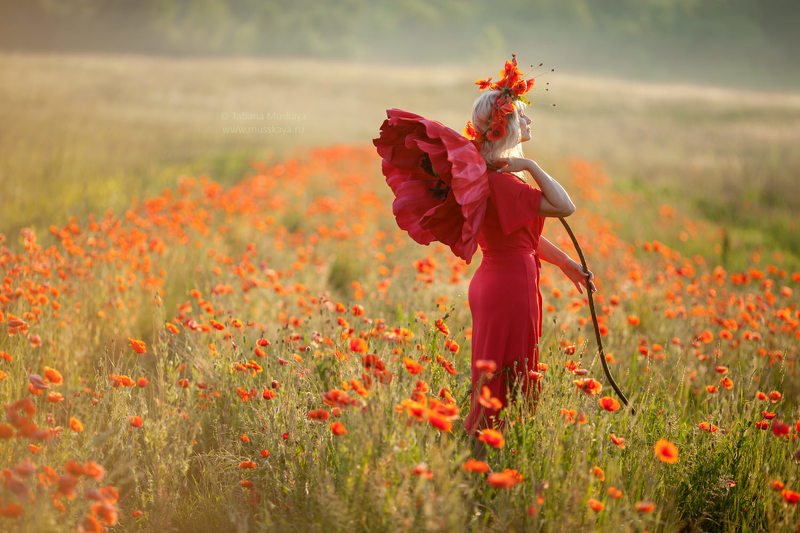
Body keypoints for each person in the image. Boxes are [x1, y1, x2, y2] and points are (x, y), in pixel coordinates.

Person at [372, 54, 597, 461]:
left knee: (498, 375)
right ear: (509, 126)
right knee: (506, 378)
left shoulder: (490, 177)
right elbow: (565, 206)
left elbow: (520, 239)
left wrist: (565, 263)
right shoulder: (505, 182)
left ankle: (484, 453)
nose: (530, 125)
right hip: (509, 287)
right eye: (524, 119)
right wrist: (530, 163)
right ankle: (486, 457)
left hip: (501, 278)